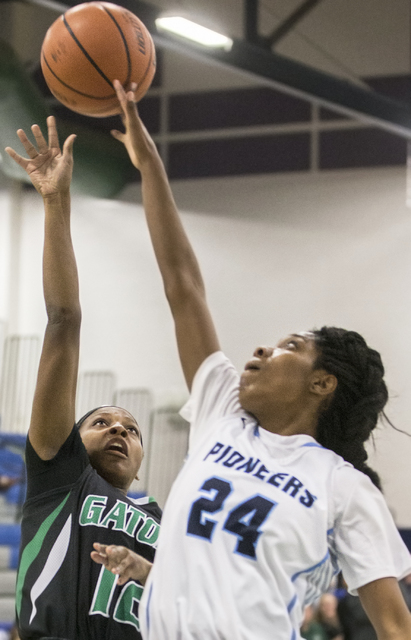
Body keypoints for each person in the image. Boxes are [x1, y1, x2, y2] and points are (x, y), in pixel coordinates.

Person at [95, 81, 411, 639]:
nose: (263, 349)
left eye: (291, 345)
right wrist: (150, 168)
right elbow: (184, 286)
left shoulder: (343, 487)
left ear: (322, 384)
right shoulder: (223, 414)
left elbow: (394, 624)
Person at [5, 117, 160, 640]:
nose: (119, 429)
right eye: (101, 421)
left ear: (141, 463)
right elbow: (64, 320)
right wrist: (55, 202)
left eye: (132, 429)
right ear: (72, 437)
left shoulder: (165, 517)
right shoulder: (60, 474)